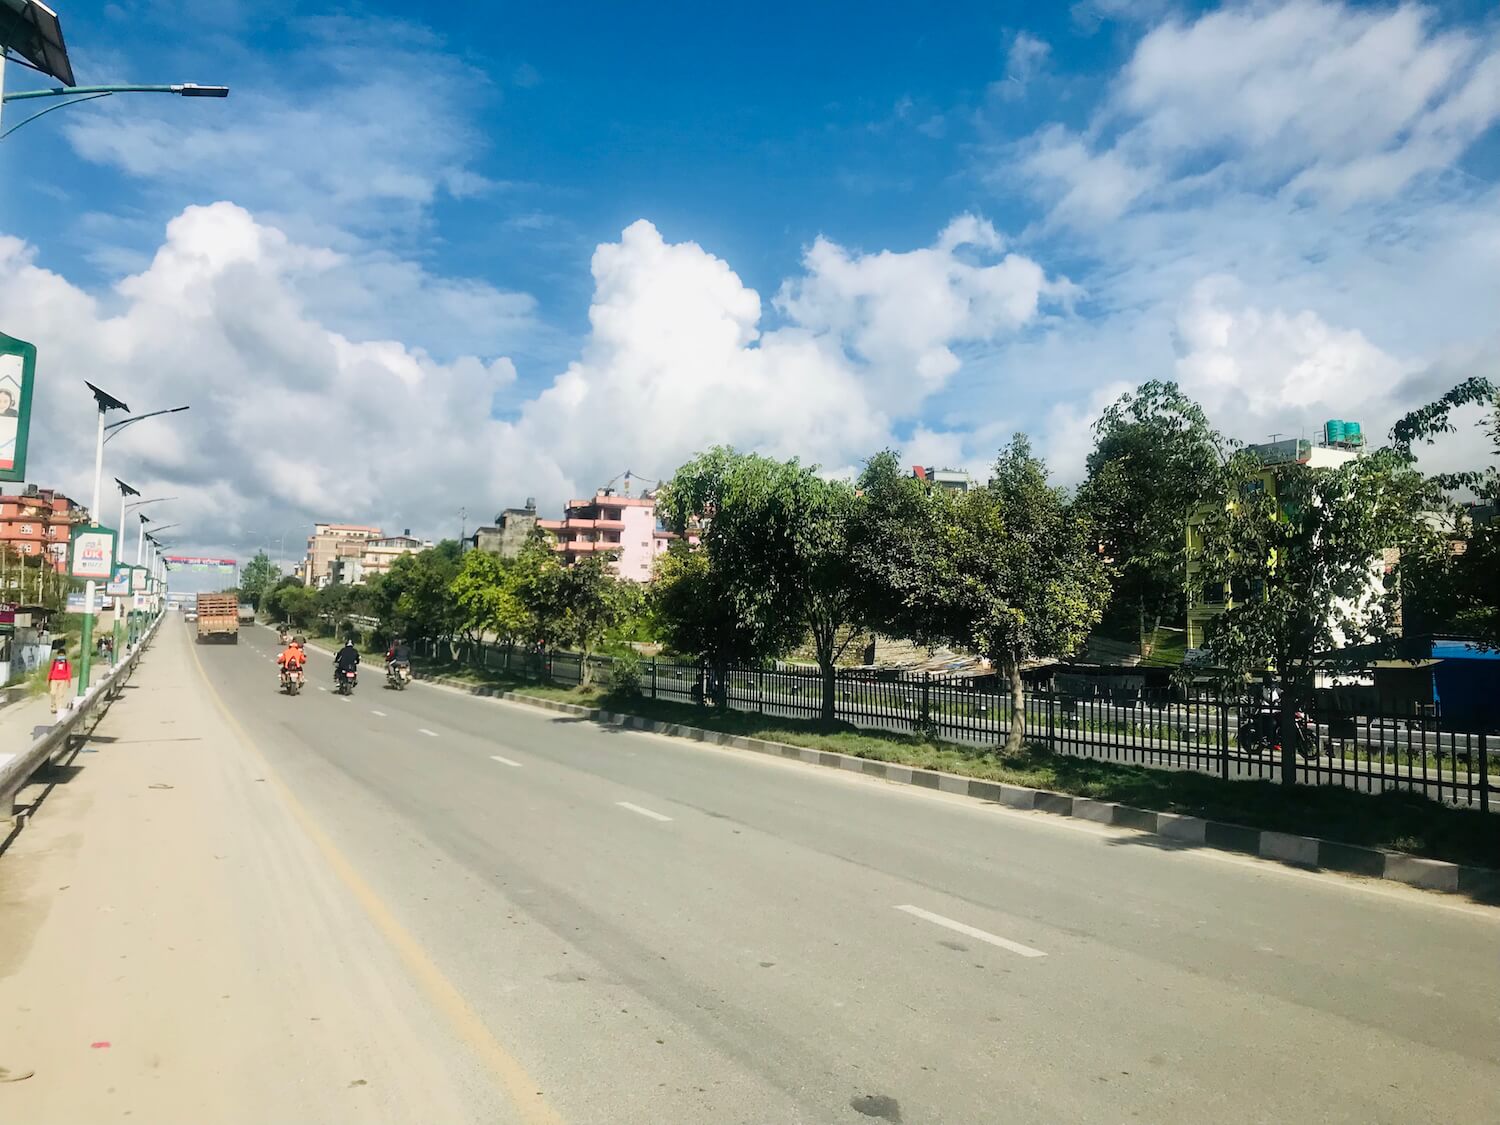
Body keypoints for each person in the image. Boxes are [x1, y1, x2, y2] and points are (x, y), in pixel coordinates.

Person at [47, 643, 72, 714]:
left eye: (62, 655)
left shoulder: (66, 663)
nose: (61, 656)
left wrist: (69, 681)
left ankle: (59, 707)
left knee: (60, 694)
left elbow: (68, 672)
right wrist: (48, 679)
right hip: (54, 679)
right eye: (60, 655)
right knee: (53, 693)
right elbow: (51, 670)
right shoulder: (55, 662)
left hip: (62, 680)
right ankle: (53, 706)